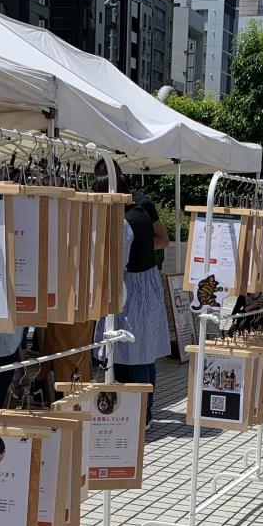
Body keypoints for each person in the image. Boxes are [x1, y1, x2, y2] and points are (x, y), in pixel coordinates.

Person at [94, 163, 169, 427]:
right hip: (147, 285)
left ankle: (139, 415)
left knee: (132, 355)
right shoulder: (140, 208)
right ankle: (145, 411)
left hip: (131, 292)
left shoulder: (124, 220)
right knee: (144, 355)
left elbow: (118, 264)